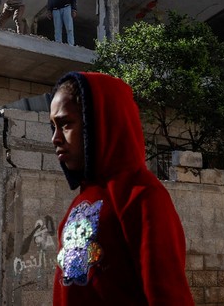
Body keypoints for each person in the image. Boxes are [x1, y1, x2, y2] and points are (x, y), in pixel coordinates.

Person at [49, 72, 194, 305]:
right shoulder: (78, 204)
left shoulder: (143, 196)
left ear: (97, 123)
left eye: (65, 124)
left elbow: (168, 295)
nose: (55, 138)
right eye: (53, 126)